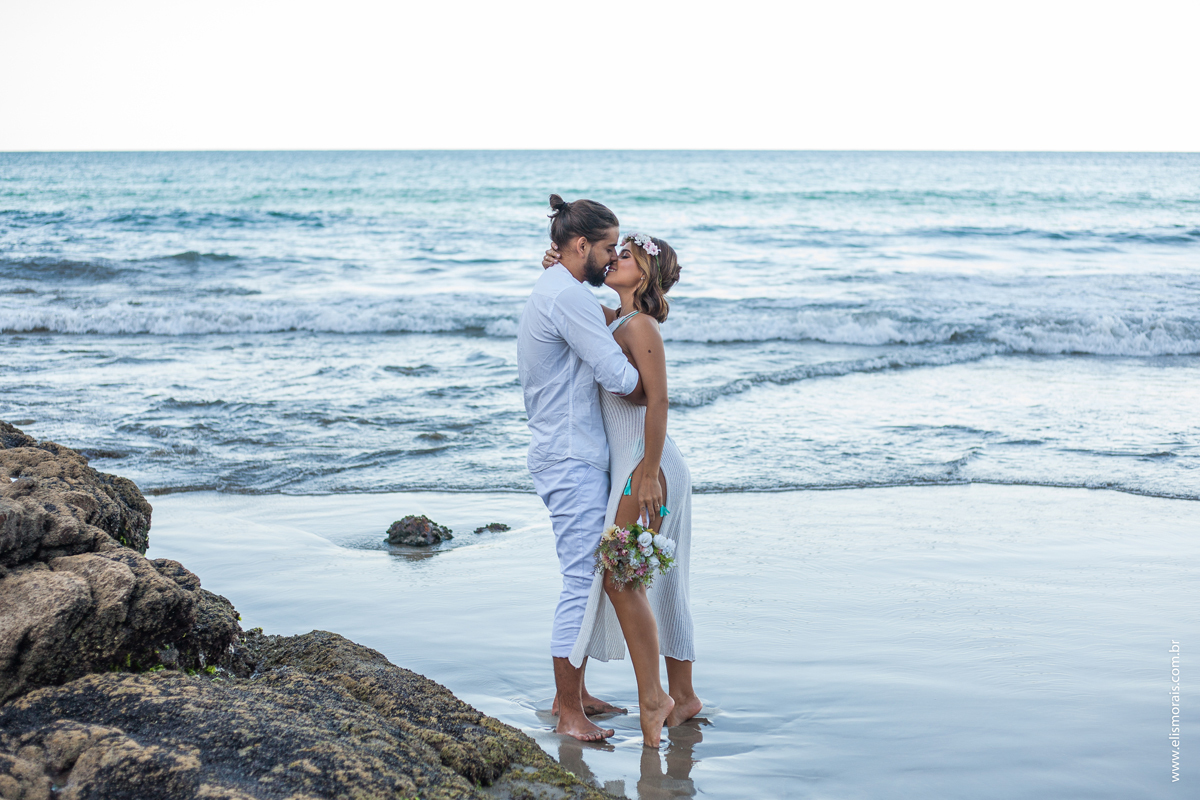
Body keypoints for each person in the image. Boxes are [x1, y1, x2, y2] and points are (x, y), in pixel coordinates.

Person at [541, 231, 700, 748]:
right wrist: (558, 265)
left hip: (646, 465)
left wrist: (649, 471)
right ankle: (683, 696)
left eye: (625, 255)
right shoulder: (617, 320)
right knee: (655, 578)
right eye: (614, 251)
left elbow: (658, 402)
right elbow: (571, 303)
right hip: (638, 466)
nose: (613, 259)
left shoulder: (641, 325)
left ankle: (655, 696)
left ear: (646, 274)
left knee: (621, 573)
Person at [516, 194, 637, 742]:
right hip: (569, 456)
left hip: (568, 451)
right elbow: (617, 374)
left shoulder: (560, 290)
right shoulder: (567, 298)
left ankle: (578, 694)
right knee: (580, 578)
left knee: (585, 576)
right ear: (580, 245)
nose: (612, 259)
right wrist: (653, 391)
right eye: (608, 248)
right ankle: (567, 711)